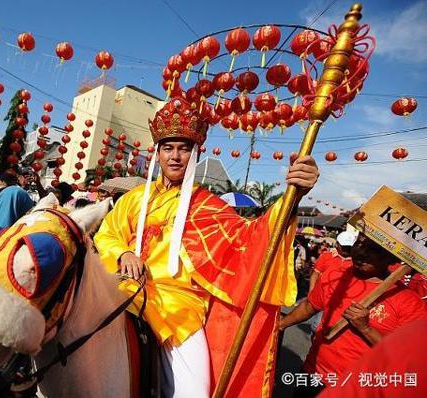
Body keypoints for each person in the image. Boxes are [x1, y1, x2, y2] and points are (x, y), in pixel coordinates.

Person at [94, 97, 320, 397]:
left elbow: (250, 239)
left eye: (184, 148)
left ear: (195, 153)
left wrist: (293, 197)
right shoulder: (134, 199)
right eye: (168, 148)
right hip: (124, 290)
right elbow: (106, 234)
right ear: (157, 154)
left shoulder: (208, 205)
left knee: (194, 392)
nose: (175, 156)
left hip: (177, 308)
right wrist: (122, 253)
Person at [279, 233, 427, 397]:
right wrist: (282, 324)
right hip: (312, 373)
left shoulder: (410, 302)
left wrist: (366, 329)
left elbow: (406, 359)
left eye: (373, 249)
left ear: (392, 259)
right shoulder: (336, 275)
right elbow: (309, 306)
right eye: (359, 243)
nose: (361, 252)